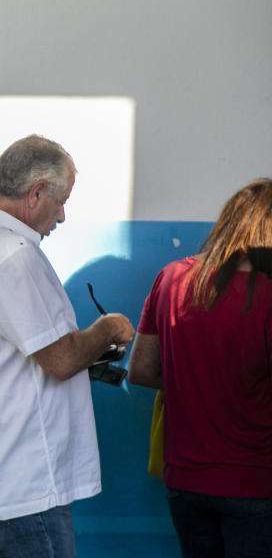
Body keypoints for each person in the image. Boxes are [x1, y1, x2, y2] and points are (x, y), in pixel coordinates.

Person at [0, 135, 134, 557]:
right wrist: (107, 328)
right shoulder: (12, 254)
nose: (62, 215)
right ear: (36, 192)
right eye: (60, 200)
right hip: (21, 484)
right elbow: (59, 360)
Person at [129, 179, 272, 557]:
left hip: (185, 480)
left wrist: (195, 381)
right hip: (256, 481)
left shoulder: (172, 277)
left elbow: (140, 370)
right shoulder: (268, 292)